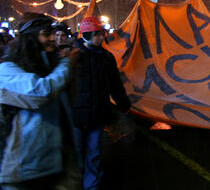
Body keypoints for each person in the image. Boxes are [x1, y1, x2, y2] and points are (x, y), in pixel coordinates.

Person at [0, 13, 81, 190]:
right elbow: (41, 93)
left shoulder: (51, 66)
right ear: (30, 37)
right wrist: (66, 64)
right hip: (25, 171)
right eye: (46, 33)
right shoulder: (6, 69)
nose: (53, 38)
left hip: (59, 164)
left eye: (53, 33)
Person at [73, 16, 131, 190]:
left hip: (98, 114)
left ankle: (91, 186)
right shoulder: (72, 56)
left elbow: (115, 83)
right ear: (87, 34)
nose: (101, 38)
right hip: (76, 116)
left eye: (102, 34)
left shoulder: (106, 57)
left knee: (94, 153)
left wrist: (123, 104)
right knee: (77, 152)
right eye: (98, 35)